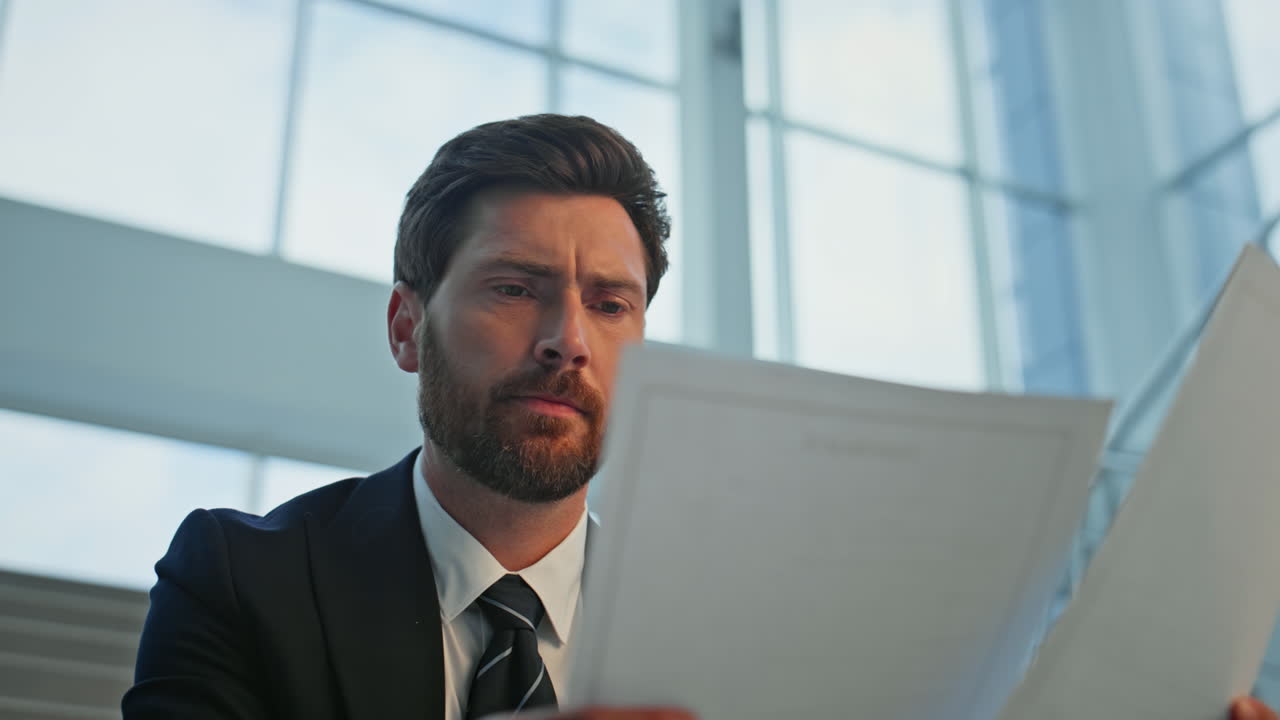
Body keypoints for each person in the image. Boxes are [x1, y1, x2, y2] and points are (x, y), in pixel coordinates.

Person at [121, 114, 1278, 720]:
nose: (566, 337)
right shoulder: (239, 578)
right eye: (514, 287)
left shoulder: (752, 650)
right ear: (404, 327)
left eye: (608, 302)